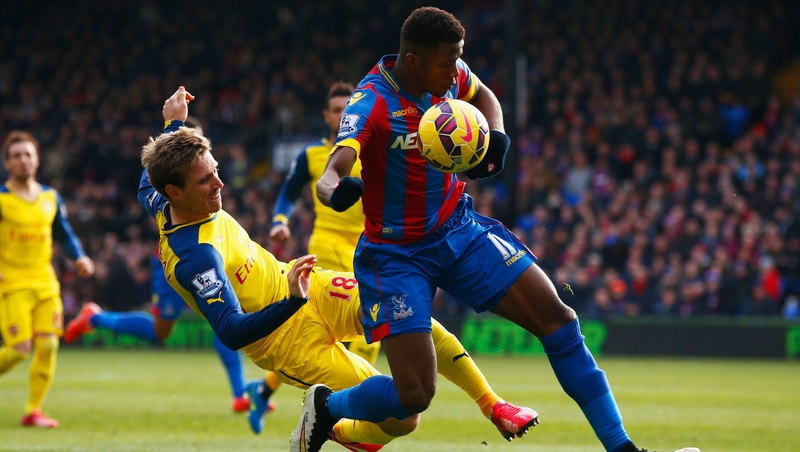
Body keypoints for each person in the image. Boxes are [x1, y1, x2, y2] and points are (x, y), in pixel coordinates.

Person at [300, 7, 700, 452]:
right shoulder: (370, 101)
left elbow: (485, 95)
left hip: (458, 230)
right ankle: (328, 408)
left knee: (560, 322)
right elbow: (330, 173)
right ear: (412, 61)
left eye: (458, 59)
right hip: (395, 256)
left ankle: (623, 449)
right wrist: (337, 190)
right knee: (415, 394)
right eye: (447, 62)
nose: (455, 71)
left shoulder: (447, 75)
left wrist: (497, 137)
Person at [141, 86, 537, 450]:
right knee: (405, 417)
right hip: (284, 340)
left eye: (215, 171)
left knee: (414, 318)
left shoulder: (162, 198)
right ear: (175, 192)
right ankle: (332, 425)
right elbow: (230, 330)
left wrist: (174, 122)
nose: (219, 183)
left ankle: (492, 405)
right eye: (205, 180)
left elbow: (148, 183)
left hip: (305, 283)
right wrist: (292, 304)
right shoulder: (196, 257)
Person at [64, 116, 253, 414]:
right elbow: (148, 186)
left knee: (224, 318)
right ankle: (95, 318)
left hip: (214, 252)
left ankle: (241, 393)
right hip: (175, 261)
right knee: (162, 332)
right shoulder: (173, 192)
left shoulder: (207, 179)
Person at [246, 81, 381, 433]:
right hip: (326, 243)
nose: (340, 116)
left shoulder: (371, 149)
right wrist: (279, 222)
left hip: (369, 247)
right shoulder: (311, 155)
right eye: (335, 110)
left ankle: (265, 391)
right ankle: (349, 414)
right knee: (332, 329)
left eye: (346, 109)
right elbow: (288, 194)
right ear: (326, 115)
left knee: (370, 331)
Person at [0, 131, 95, 428]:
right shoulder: (2, 199)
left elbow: (63, 233)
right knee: (19, 349)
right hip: (12, 284)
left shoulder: (50, 197)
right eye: (16, 156)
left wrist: (79, 257)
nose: (23, 160)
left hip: (45, 282)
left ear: (37, 160)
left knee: (48, 346)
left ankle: (33, 411)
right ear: (7, 163)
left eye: (28, 154)